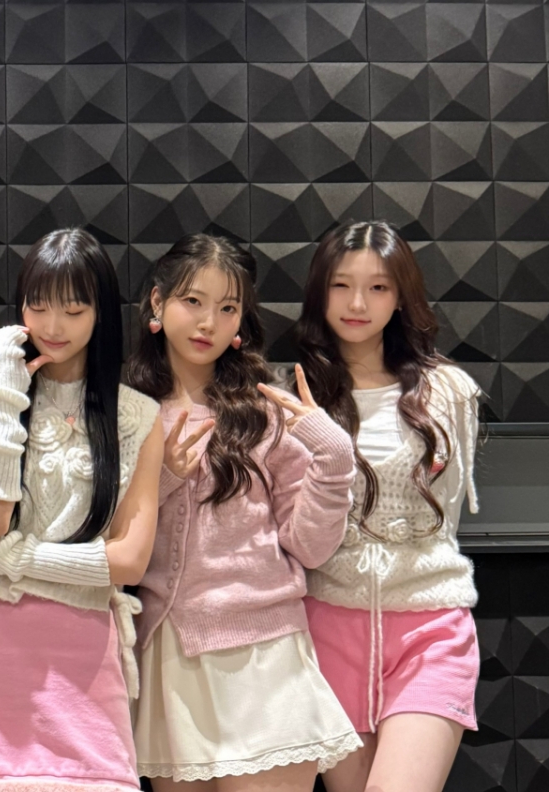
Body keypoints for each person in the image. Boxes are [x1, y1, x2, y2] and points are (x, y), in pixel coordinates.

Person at [0, 228, 164, 792]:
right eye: (38, 306)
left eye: (74, 310)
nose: (53, 326)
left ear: (101, 314)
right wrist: (9, 395)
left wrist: (13, 557)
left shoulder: (138, 416)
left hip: (85, 652)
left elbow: (130, 560)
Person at [127, 234, 361, 791]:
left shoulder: (265, 410)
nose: (208, 322)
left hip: (263, 652)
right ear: (157, 302)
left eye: (228, 307)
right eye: (193, 301)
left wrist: (333, 456)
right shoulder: (126, 408)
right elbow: (114, 539)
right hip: (169, 652)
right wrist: (164, 478)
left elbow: (310, 546)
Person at [297, 221, 482, 792]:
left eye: (378, 287)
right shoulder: (291, 391)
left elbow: (446, 517)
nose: (358, 304)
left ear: (401, 296)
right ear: (320, 291)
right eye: (341, 285)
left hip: (430, 626)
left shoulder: (447, 391)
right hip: (326, 627)